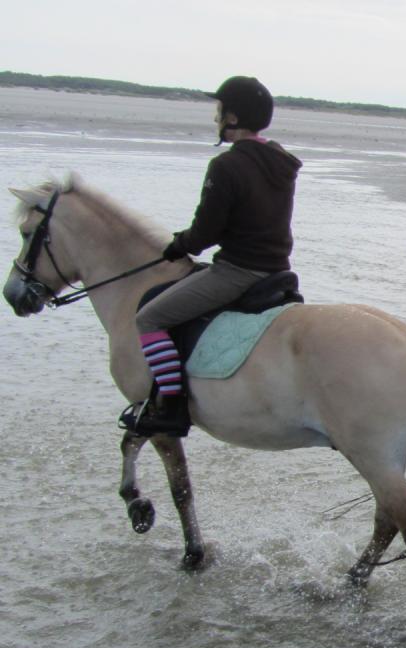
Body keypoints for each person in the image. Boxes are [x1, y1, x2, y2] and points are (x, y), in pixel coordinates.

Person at [129, 76, 303, 437]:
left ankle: (172, 406)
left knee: (148, 318)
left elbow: (205, 233)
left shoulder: (227, 165)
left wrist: (179, 245)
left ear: (234, 118)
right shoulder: (280, 161)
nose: (217, 117)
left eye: (220, 111)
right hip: (277, 268)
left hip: (239, 271)